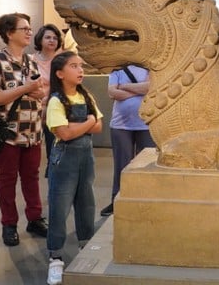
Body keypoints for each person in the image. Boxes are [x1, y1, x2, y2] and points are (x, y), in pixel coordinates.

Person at [0, 13, 48, 247]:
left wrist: (31, 90)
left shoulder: (30, 60)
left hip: (33, 130)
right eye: (24, 29)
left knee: (32, 177)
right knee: (7, 179)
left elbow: (40, 91)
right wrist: (26, 89)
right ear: (10, 33)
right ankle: (9, 223)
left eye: (30, 28)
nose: (30, 32)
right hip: (8, 132)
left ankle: (35, 218)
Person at [45, 51, 103, 285]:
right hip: (64, 160)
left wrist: (85, 124)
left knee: (86, 203)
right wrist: (88, 122)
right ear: (60, 73)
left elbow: (99, 126)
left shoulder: (86, 94)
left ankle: (85, 246)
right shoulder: (56, 101)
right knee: (60, 207)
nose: (80, 70)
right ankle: (56, 257)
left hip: (85, 158)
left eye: (80, 66)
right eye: (73, 66)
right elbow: (64, 133)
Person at [100, 65, 154, 217]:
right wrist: (138, 89)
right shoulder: (117, 69)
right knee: (121, 165)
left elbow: (150, 87)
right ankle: (117, 200)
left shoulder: (150, 68)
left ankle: (144, 200)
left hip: (145, 123)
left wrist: (124, 87)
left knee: (145, 165)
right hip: (121, 125)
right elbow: (112, 92)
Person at [32, 24, 64, 178]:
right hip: (34, 108)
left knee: (54, 146)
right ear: (40, 39)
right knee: (32, 148)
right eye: (48, 37)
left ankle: (52, 170)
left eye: (55, 38)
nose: (52, 40)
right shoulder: (30, 60)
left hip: (54, 108)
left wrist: (50, 106)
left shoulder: (61, 61)